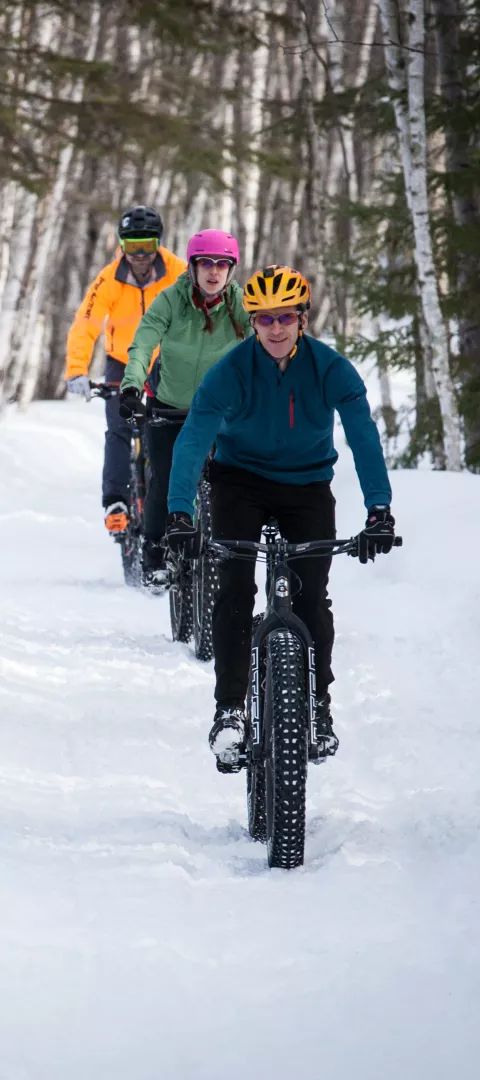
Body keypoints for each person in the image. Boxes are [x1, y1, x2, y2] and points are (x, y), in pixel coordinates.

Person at [164, 264, 396, 768]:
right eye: (264, 319)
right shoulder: (229, 370)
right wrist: (180, 513)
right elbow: (194, 440)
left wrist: (379, 509)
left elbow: (362, 437)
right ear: (252, 322)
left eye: (285, 317)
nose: (275, 329)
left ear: (302, 318)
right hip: (239, 484)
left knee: (313, 597)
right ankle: (229, 711)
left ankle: (318, 706)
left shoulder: (331, 369)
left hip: (307, 488)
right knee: (234, 587)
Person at [118, 228, 252, 587]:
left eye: (222, 264)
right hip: (170, 408)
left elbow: (268, 343)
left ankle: (231, 550)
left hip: (221, 412)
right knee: (164, 475)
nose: (213, 271)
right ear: (191, 267)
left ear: (231, 270)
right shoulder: (170, 300)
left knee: (234, 482)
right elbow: (144, 343)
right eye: (205, 263)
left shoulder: (240, 304)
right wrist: (132, 386)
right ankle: (156, 550)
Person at [64, 205, 186, 534]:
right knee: (118, 428)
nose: (141, 255)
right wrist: (77, 369)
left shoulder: (177, 271)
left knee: (164, 430)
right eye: (132, 246)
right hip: (121, 359)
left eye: (147, 245)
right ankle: (116, 502)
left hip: (165, 362)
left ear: (158, 243)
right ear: (121, 244)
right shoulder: (109, 279)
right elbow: (86, 323)